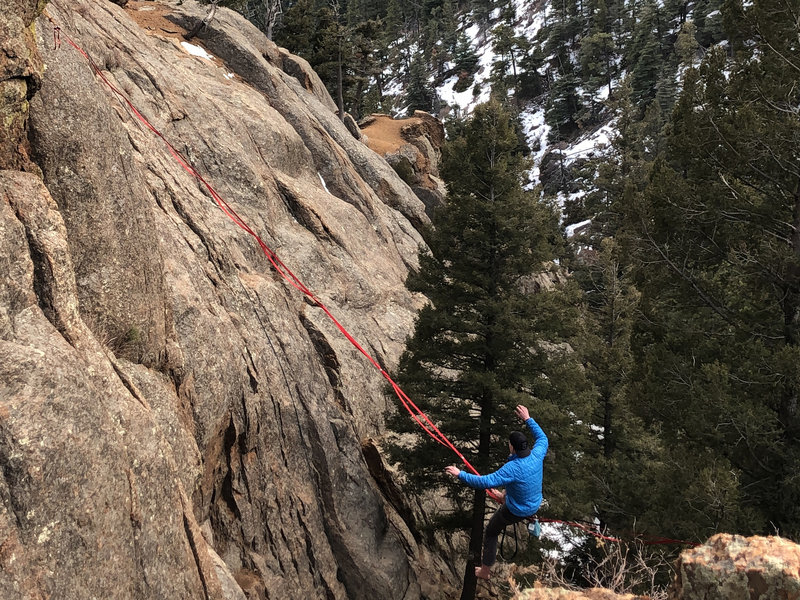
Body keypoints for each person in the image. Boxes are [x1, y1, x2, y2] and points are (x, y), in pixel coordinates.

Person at [445, 404, 548, 580]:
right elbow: (542, 437)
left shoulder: (513, 468)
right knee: (515, 485)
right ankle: (504, 497)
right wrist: (528, 419)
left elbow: (484, 481)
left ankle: (485, 571)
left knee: (491, 531)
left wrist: (459, 474)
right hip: (534, 501)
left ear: (512, 447)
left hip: (517, 510)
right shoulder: (537, 453)